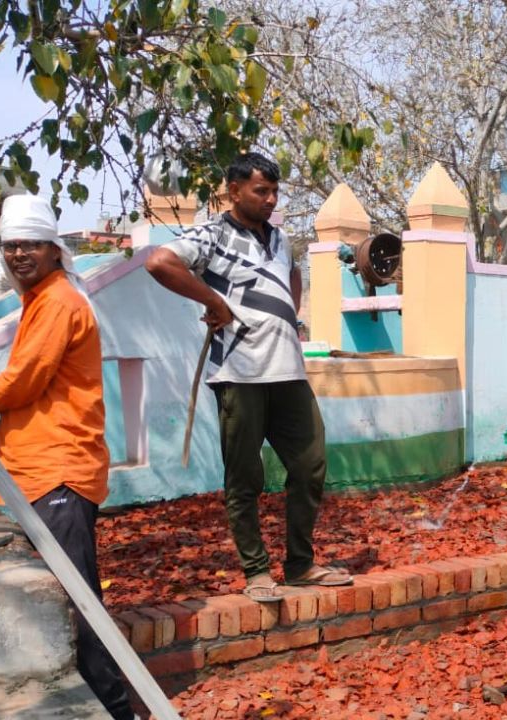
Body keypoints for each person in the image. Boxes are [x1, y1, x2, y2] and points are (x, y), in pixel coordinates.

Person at [0, 195, 134, 720]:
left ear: (53, 249)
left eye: (31, 245)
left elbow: (23, 381)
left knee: (78, 606)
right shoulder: (41, 300)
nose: (20, 253)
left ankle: (117, 709)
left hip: (58, 474)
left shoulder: (59, 301)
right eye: (12, 245)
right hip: (38, 476)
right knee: (58, 600)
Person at [144, 152, 352, 601]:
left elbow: (293, 279)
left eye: (275, 191)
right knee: (245, 477)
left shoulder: (281, 239)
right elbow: (160, 262)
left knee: (310, 464)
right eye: (262, 191)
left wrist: (284, 319)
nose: (271, 199)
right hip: (238, 373)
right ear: (233, 191)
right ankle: (257, 571)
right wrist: (214, 303)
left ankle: (300, 564)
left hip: (288, 372)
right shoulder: (213, 233)